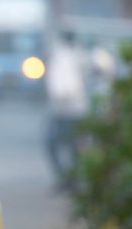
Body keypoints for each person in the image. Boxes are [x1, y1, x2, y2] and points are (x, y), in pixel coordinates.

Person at [45, 31, 88, 182]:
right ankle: (70, 180)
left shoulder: (63, 56)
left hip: (66, 111)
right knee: (71, 147)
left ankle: (70, 180)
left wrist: (61, 96)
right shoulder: (78, 54)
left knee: (58, 145)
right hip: (72, 110)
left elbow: (63, 88)